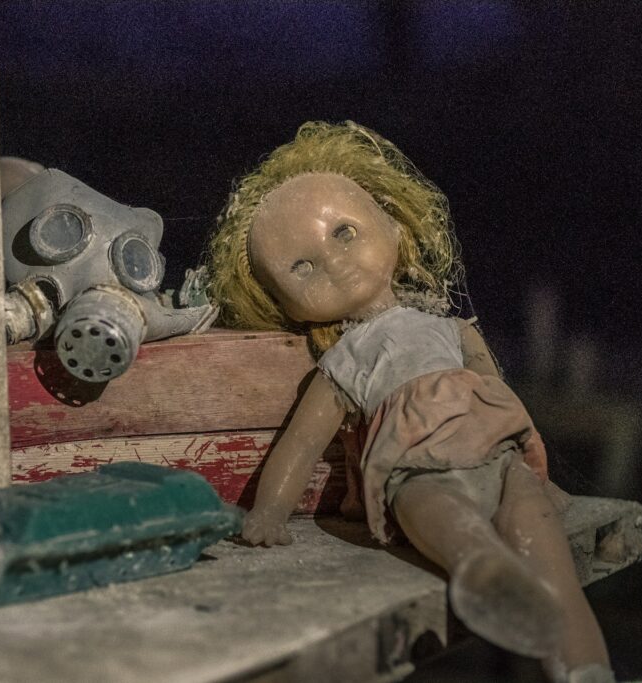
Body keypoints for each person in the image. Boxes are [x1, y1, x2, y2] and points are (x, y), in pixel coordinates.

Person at [208, 121, 613, 683]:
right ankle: (480, 570)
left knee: (549, 555)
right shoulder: (347, 359)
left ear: (393, 225)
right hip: (416, 469)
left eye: (344, 233)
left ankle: (587, 670)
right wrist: (270, 511)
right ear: (285, 303)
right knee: (444, 519)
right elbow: (302, 443)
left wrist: (538, 473)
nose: (333, 261)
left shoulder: (450, 329)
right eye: (301, 267)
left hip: (498, 458)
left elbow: (498, 394)